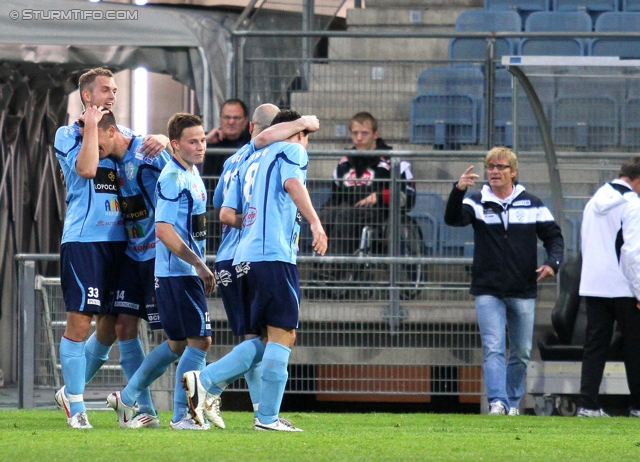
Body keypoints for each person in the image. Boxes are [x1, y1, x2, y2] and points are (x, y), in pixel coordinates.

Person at [182, 109, 327, 432]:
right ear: (296, 132)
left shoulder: (247, 160)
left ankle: (256, 408)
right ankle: (215, 385)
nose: (306, 144)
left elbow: (225, 210)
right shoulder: (291, 150)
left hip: (241, 255)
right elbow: (292, 183)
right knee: (282, 334)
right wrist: (315, 222)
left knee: (267, 336)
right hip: (272, 254)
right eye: (305, 136)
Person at [53, 67, 168, 429]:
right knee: (80, 322)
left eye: (115, 90)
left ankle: (129, 405)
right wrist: (89, 126)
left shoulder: (121, 132)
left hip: (123, 244)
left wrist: (163, 137)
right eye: (105, 89)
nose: (112, 95)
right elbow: (87, 169)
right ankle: (76, 404)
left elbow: (142, 145)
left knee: (114, 326)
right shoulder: (66, 134)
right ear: (87, 96)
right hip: (85, 241)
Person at [444, 146, 564, 416]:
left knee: (521, 350)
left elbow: (554, 237)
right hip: (488, 289)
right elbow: (452, 219)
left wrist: (552, 263)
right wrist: (458, 189)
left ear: (514, 172)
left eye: (500, 167)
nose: (494, 172)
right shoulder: (476, 201)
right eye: (490, 167)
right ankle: (497, 402)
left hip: (523, 288)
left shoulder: (532, 203)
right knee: (494, 348)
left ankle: (512, 403)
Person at [577, 157, 640, 418]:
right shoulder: (633, 204)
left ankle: (588, 404)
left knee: (594, 346)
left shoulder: (593, 202)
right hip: (624, 286)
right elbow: (633, 252)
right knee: (635, 346)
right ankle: (637, 405)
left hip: (594, 285)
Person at [320, 111, 416, 257]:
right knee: (326, 214)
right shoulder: (344, 164)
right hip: (348, 210)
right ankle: (320, 267)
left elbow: (408, 197)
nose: (359, 138)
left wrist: (380, 196)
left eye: (364, 133)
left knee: (345, 215)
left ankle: (336, 270)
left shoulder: (394, 161)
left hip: (380, 213)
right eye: (355, 133)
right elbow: (335, 196)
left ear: (375, 134)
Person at [201, 98, 251, 176]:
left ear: (245, 121)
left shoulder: (254, 142)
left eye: (236, 118)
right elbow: (180, 153)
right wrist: (205, 140)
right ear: (220, 120)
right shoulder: (211, 140)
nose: (231, 122)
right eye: (227, 117)